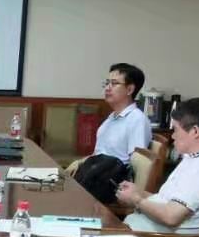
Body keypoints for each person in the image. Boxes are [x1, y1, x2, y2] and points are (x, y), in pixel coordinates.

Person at [115, 96, 199, 234]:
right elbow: (167, 201)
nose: (173, 136)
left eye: (175, 130)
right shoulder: (197, 158)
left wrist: (136, 199)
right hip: (139, 230)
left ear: (195, 131)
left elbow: (171, 216)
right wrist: (139, 193)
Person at [63, 62, 153, 203]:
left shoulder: (137, 119)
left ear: (130, 89)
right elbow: (99, 154)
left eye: (114, 83)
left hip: (112, 184)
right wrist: (80, 162)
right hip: (96, 176)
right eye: (107, 83)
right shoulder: (111, 118)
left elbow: (136, 164)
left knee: (65, 197)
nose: (107, 88)